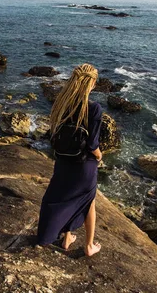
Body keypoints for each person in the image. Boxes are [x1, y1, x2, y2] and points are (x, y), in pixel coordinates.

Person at [36, 63, 103, 256]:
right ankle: (89, 246)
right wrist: (99, 156)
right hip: (84, 165)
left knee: (61, 198)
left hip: (63, 161)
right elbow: (92, 144)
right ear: (92, 83)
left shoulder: (61, 104)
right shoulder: (94, 108)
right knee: (88, 202)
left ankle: (66, 236)